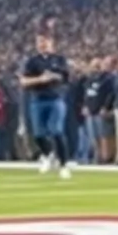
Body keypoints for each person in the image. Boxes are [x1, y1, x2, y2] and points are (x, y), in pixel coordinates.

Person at [20, 28, 72, 179]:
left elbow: (65, 77)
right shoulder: (32, 62)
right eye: (39, 42)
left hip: (55, 99)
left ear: (51, 43)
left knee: (56, 131)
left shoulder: (60, 60)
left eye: (45, 41)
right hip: (37, 100)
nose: (42, 44)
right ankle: (48, 154)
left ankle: (64, 165)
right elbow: (24, 81)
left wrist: (52, 76)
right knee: (38, 134)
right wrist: (40, 79)